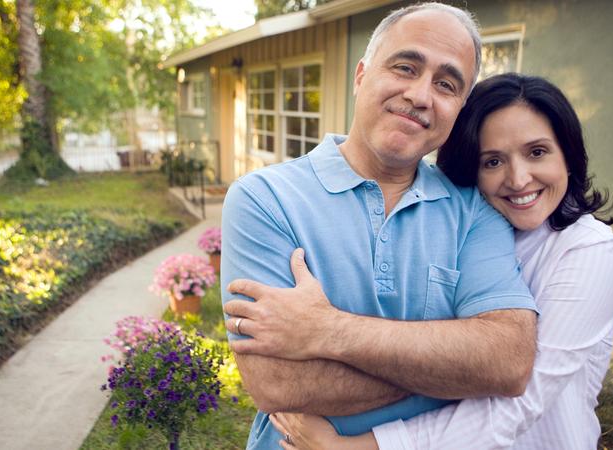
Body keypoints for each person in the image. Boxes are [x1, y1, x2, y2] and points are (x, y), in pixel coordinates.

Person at [220, 3, 539, 449]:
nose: (421, 95)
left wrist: (325, 329)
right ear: (360, 75)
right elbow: (277, 382)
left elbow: (507, 362)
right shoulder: (265, 199)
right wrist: (452, 367)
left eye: (446, 84)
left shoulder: (475, 211)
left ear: (459, 108)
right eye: (405, 66)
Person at [264, 74, 613, 449]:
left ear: (568, 156)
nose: (518, 179)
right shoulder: (467, 226)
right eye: (493, 161)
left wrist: (360, 447)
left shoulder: (589, 250)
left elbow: (521, 398)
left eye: (537, 152)